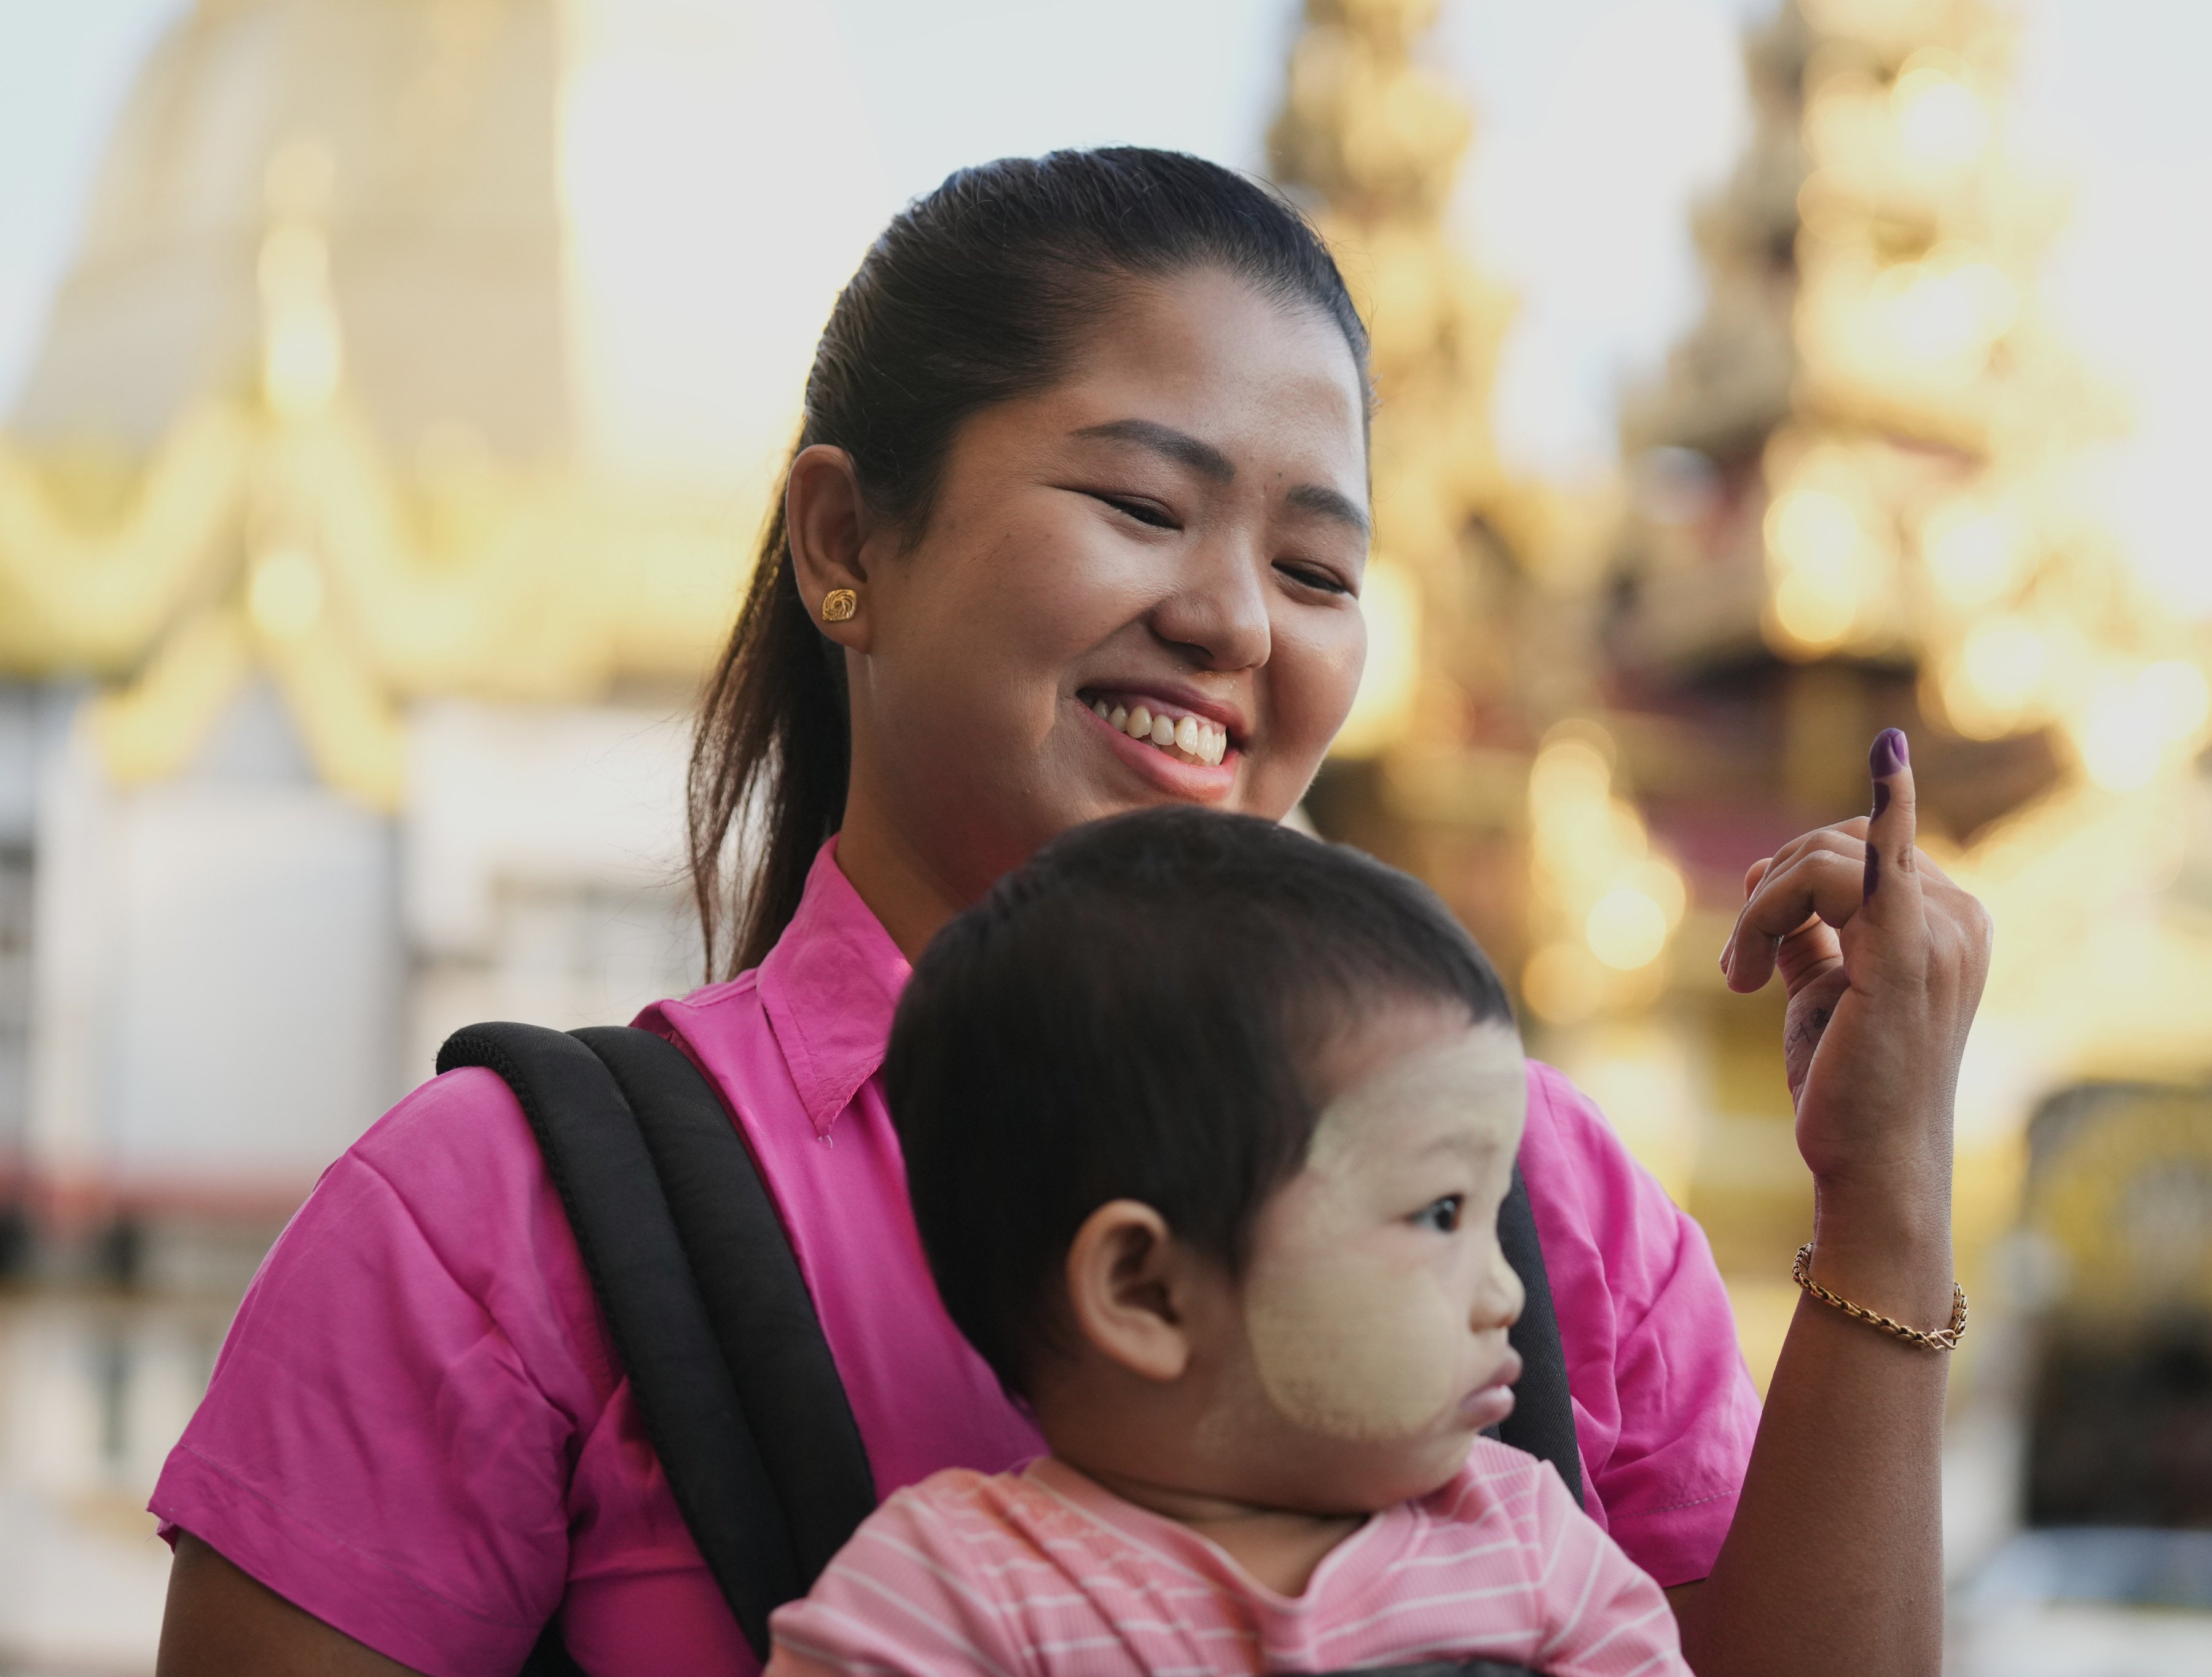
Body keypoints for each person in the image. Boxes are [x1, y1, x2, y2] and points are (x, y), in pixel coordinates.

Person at [152, 147, 1991, 1677]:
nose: (1238, 622)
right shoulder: (491, 1222)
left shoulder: (1535, 1190)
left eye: (1316, 567)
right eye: (1140, 503)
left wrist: (1889, 1199)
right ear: (845, 544)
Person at [767, 807, 1685, 1677]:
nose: (1507, 1293)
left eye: (1491, 1215)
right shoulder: (949, 1599)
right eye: (1441, 1214)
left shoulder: (1526, 1541)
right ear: (1148, 1290)